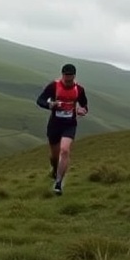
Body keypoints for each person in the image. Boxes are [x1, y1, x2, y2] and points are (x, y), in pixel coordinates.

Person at [36, 63, 89, 196]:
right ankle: (55, 170)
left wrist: (83, 110)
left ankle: (59, 183)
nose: (68, 80)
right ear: (62, 75)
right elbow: (40, 100)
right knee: (54, 156)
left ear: (74, 76)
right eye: (66, 77)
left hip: (70, 124)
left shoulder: (80, 90)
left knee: (64, 151)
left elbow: (84, 105)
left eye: (70, 78)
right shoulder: (53, 86)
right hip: (54, 124)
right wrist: (51, 105)